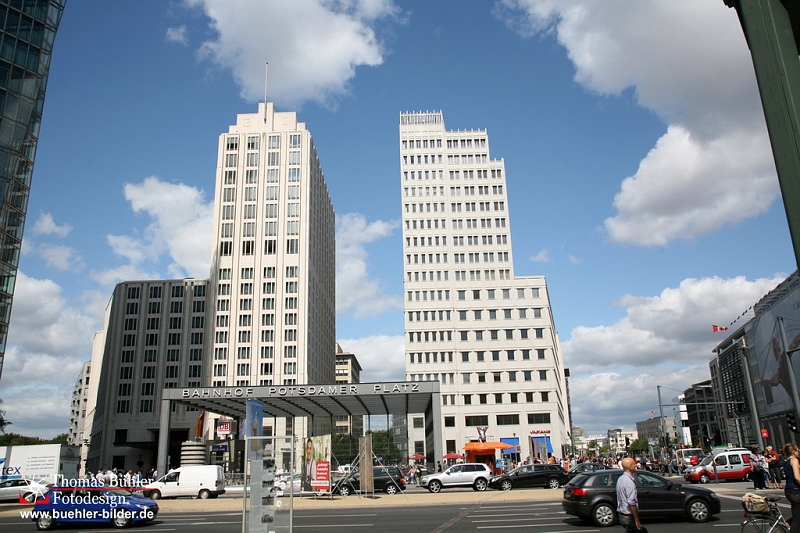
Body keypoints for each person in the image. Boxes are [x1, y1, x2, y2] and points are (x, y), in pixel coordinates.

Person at [616, 457, 643, 532]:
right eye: (634, 464)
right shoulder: (629, 482)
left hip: (622, 515)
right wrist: (637, 520)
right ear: (629, 467)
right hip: (628, 516)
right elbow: (631, 502)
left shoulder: (620, 479)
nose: (636, 465)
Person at [783, 443, 800, 533]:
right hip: (795, 490)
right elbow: (797, 477)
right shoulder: (794, 460)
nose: (798, 452)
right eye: (797, 450)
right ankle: (790, 524)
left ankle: (787, 523)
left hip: (789, 490)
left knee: (797, 514)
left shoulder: (786, 461)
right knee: (797, 520)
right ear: (793, 452)